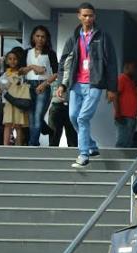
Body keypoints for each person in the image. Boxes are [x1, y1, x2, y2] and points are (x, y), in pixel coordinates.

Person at [57, 2, 117, 167]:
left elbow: (111, 63)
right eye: (84, 15)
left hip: (94, 84)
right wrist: (61, 85)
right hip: (76, 84)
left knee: (83, 118)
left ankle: (83, 155)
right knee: (73, 116)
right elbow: (64, 63)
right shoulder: (74, 37)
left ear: (94, 16)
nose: (88, 18)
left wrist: (112, 88)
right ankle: (91, 146)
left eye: (90, 15)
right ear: (79, 16)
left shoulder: (103, 36)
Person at [22, 25, 57, 146]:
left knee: (37, 115)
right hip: (28, 85)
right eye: (37, 36)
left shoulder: (50, 53)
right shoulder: (26, 52)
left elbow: (56, 73)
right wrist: (32, 67)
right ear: (33, 37)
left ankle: (33, 144)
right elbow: (20, 71)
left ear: (46, 39)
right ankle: (40, 135)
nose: (40, 39)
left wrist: (45, 84)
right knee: (31, 116)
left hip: (43, 86)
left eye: (43, 36)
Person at [0, 50, 29, 146]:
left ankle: (18, 147)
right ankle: (5, 146)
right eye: (10, 59)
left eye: (15, 59)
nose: (12, 61)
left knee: (18, 125)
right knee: (7, 124)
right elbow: (3, 89)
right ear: (7, 61)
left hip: (19, 102)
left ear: (18, 60)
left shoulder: (21, 74)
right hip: (8, 102)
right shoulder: (4, 74)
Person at [114, 61, 137, 147]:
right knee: (122, 142)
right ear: (126, 68)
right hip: (124, 116)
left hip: (132, 117)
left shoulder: (131, 81)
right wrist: (117, 113)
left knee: (128, 143)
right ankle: (119, 160)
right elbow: (115, 95)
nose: (135, 70)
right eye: (133, 68)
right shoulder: (122, 78)